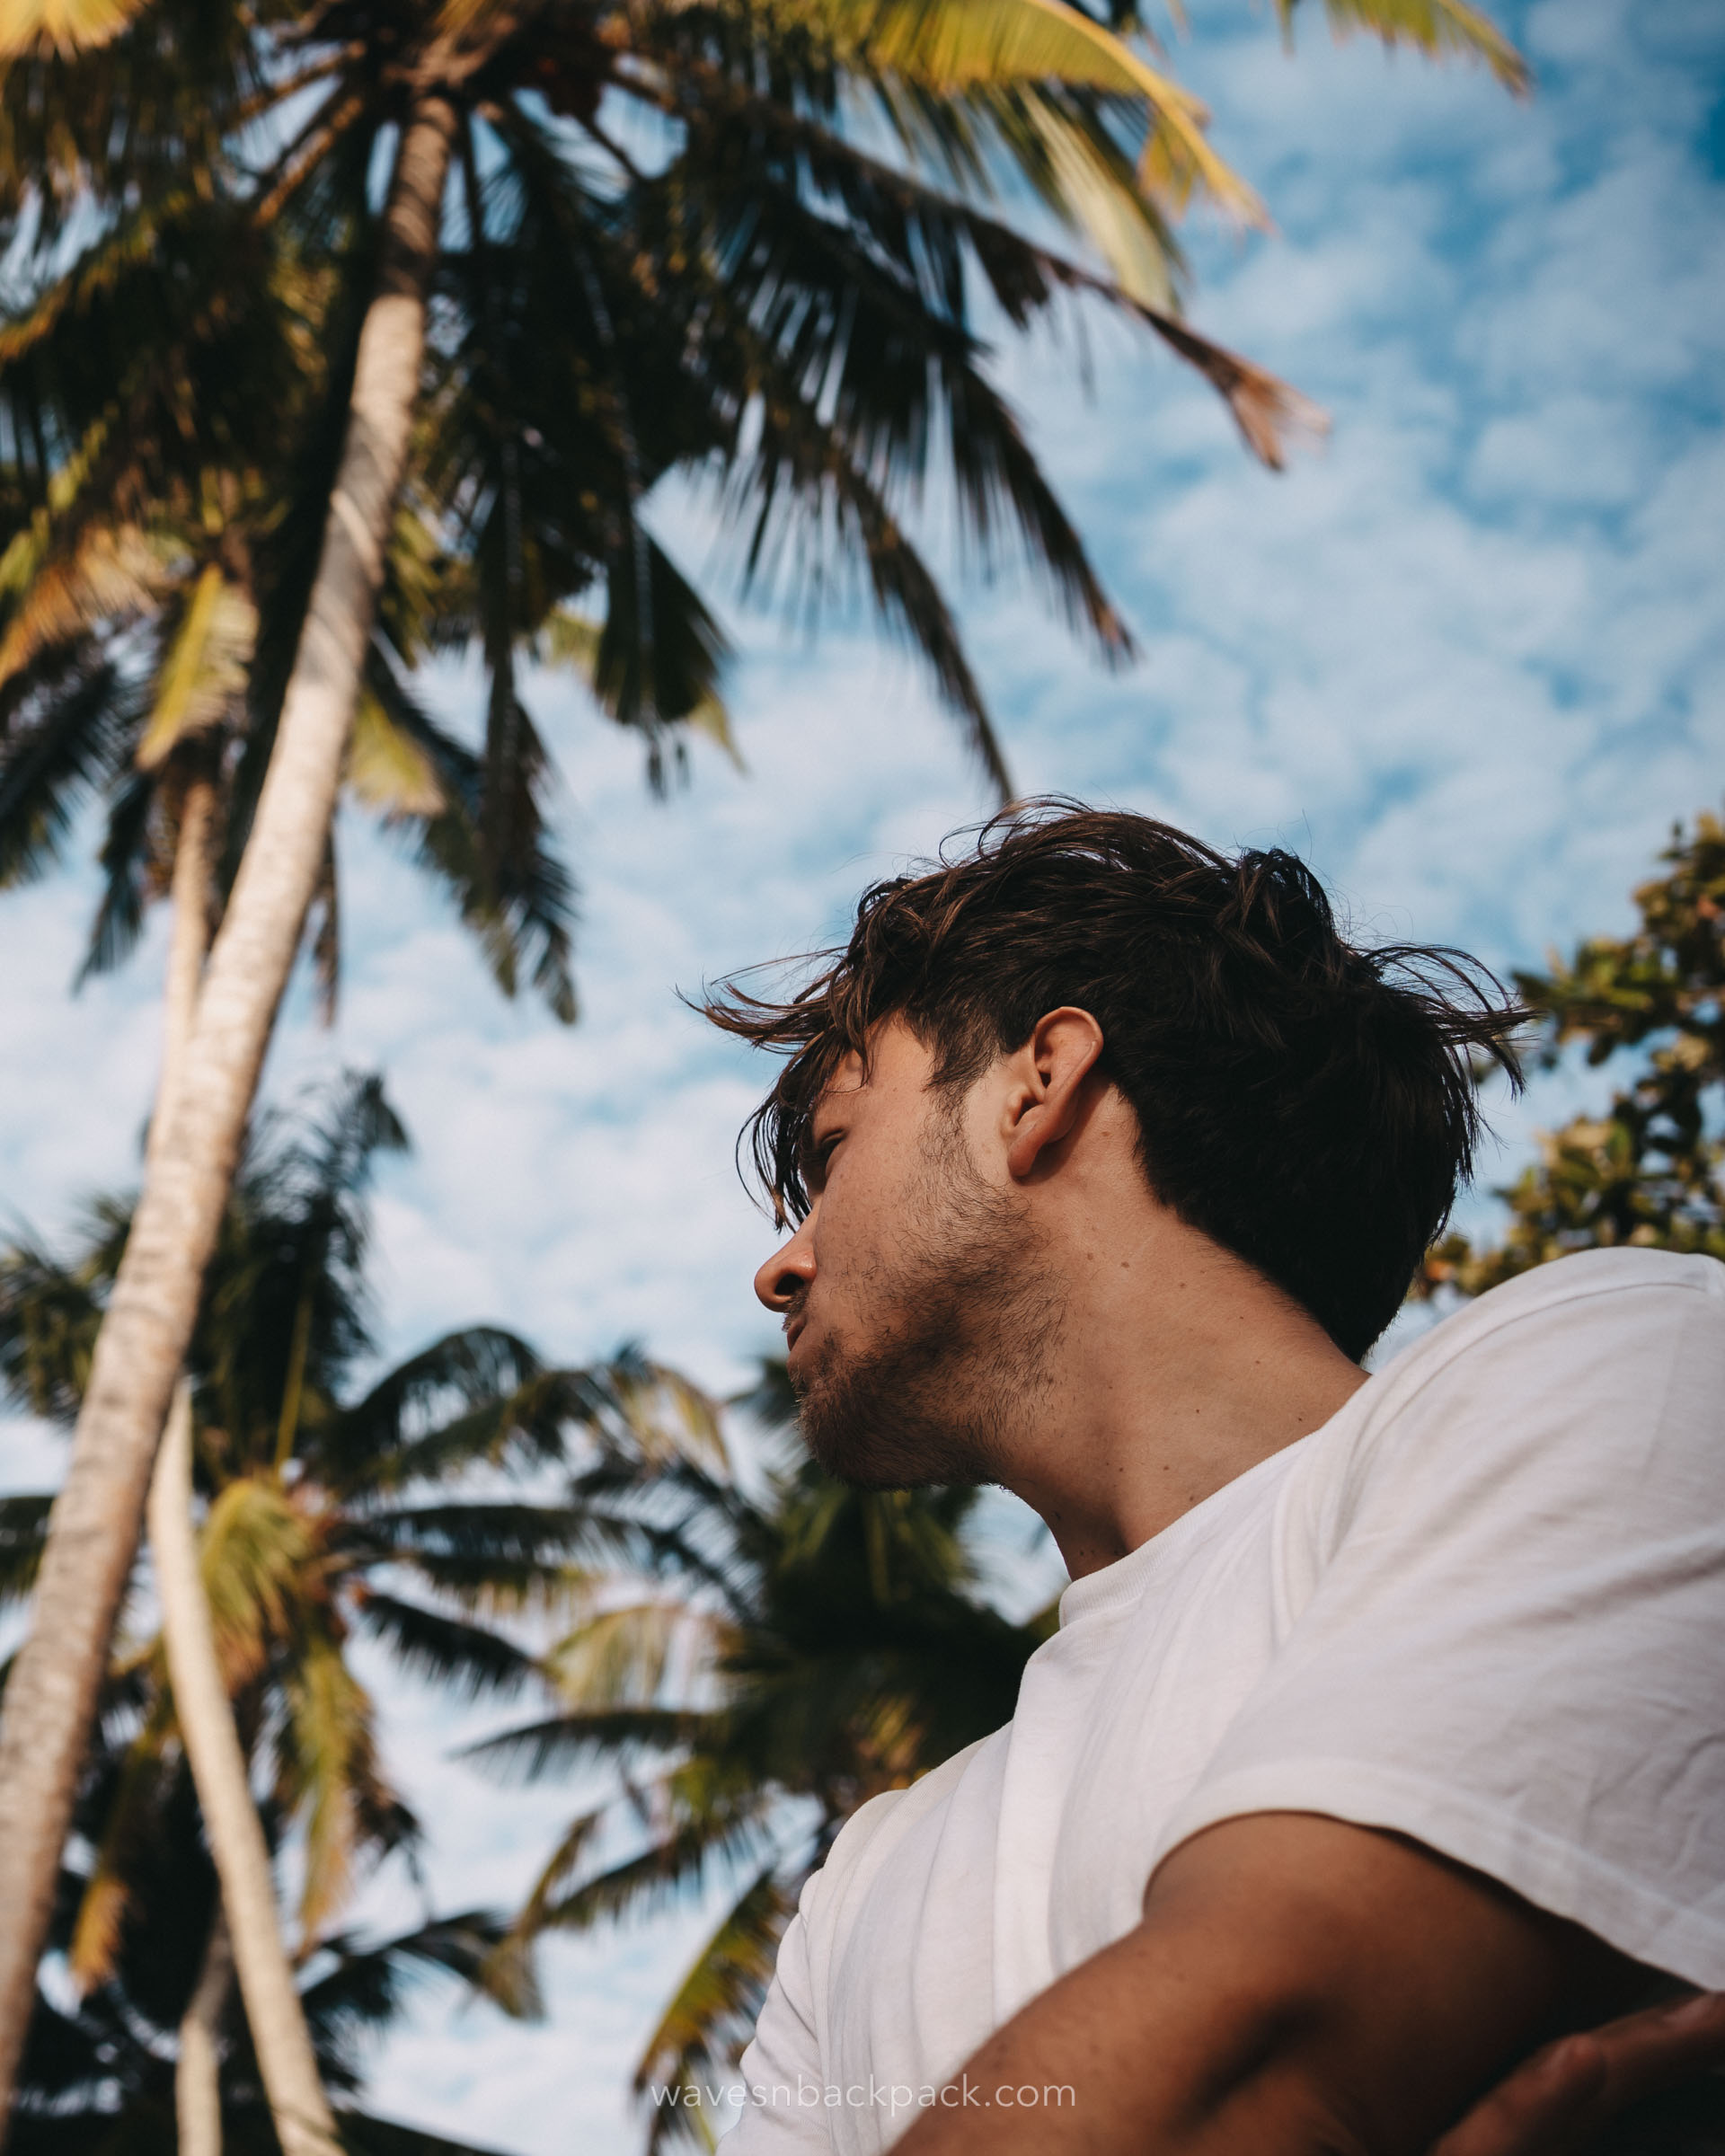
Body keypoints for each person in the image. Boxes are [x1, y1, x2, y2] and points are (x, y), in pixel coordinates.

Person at [699, 804, 1725, 2156]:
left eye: (830, 1156)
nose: (780, 1266)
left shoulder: (1630, 1360)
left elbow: (1237, 2087)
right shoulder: (869, 1882)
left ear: (1040, 1081)